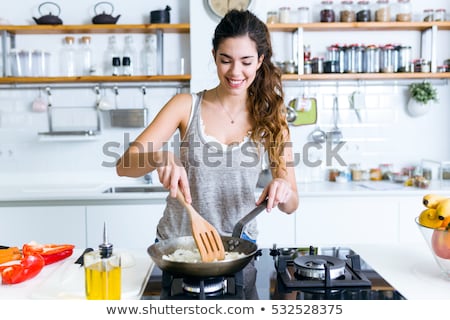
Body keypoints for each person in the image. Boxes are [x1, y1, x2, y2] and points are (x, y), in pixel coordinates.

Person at [116, 9, 298, 298]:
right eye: (225, 60)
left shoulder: (271, 118)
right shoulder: (185, 106)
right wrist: (159, 156)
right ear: (214, 56)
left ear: (261, 60)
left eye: (246, 62)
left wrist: (282, 187)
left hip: (237, 252)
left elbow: (291, 205)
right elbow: (124, 166)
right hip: (179, 251)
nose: (235, 72)